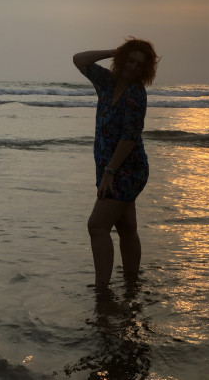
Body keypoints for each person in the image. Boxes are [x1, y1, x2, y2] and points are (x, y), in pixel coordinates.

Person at [73, 38, 159, 290]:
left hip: (128, 170)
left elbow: (129, 137)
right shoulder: (106, 81)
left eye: (139, 64)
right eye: (129, 60)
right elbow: (79, 59)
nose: (133, 67)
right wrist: (115, 51)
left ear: (145, 70)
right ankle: (132, 282)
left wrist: (110, 172)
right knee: (127, 227)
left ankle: (102, 290)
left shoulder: (136, 94)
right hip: (109, 168)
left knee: (97, 226)